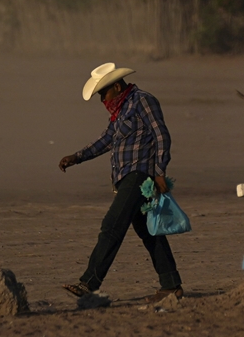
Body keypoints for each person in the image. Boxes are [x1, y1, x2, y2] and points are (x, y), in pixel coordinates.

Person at [58, 62, 183, 302]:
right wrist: (77, 157)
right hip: (127, 177)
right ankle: (171, 285)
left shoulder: (142, 101)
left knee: (112, 225)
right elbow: (107, 140)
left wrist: (159, 171)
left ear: (116, 86)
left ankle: (89, 283)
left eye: (103, 93)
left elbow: (161, 135)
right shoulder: (120, 111)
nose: (102, 99)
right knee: (149, 232)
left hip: (140, 175)